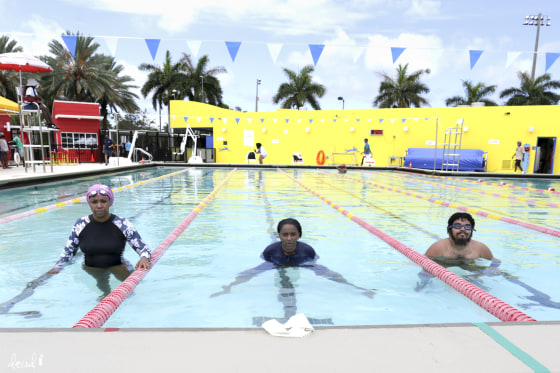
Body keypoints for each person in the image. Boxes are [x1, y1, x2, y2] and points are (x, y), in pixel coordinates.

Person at [211, 218, 374, 299]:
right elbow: (253, 271)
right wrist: (230, 286)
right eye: (285, 234)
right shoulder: (271, 251)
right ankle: (228, 288)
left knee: (330, 274)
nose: (289, 238)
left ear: (299, 235)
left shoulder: (307, 251)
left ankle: (356, 288)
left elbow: (320, 268)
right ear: (279, 236)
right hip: (276, 263)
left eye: (293, 234)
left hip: (302, 263)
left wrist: (354, 287)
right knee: (251, 273)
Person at [49, 184, 151, 297]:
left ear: (110, 202)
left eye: (103, 201)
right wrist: (57, 267)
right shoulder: (80, 224)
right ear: (89, 203)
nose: (99, 206)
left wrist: (144, 257)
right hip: (92, 267)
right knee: (104, 291)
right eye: (94, 202)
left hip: (118, 265)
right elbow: (68, 252)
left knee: (131, 293)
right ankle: (105, 292)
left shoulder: (122, 224)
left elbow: (143, 247)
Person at [425, 212, 494, 262]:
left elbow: (495, 262)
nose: (463, 229)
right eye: (458, 226)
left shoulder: (480, 248)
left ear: (471, 230)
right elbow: (424, 263)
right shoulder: (438, 247)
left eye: (467, 227)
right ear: (449, 229)